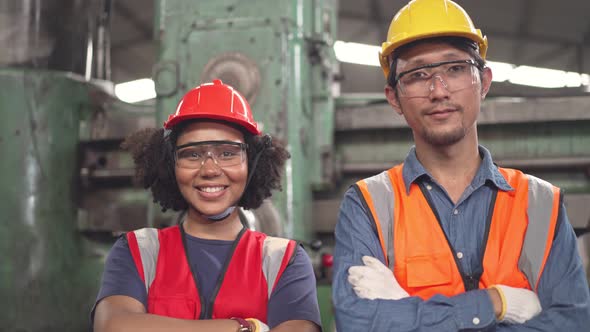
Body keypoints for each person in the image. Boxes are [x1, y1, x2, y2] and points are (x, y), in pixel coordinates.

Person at [332, 0, 590, 331]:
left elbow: (571, 323)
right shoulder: (368, 203)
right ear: (394, 97)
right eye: (417, 75)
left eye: (454, 69)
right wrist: (496, 303)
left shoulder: (542, 203)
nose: (438, 90)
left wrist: (404, 308)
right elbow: (358, 323)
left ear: (483, 82)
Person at [93, 79, 322, 332]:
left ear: (253, 163)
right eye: (192, 154)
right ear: (170, 165)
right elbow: (114, 327)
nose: (210, 169)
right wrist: (245, 328)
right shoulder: (138, 251)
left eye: (228, 153)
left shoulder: (284, 260)